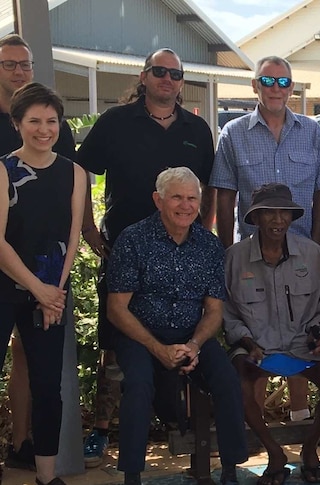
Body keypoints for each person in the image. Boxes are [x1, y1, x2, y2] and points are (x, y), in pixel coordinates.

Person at [76, 47, 217, 467]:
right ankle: (101, 430)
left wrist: (202, 234)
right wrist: (86, 227)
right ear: (144, 76)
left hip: (180, 253)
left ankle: (177, 421)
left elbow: (207, 189)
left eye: (176, 74)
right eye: (160, 72)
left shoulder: (197, 128)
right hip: (124, 249)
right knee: (116, 342)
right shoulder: (116, 122)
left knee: (180, 333)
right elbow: (80, 172)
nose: (168, 80)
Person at [211, 56, 320, 425]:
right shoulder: (233, 133)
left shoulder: (311, 131)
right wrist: (225, 250)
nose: (276, 89)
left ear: (292, 87)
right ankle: (259, 424)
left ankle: (300, 415)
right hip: (254, 251)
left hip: (301, 250)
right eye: (268, 81)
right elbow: (224, 192)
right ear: (255, 86)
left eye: (284, 83)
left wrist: (316, 243)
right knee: (259, 326)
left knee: (300, 324)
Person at [106, 167, 247, 485]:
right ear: (158, 200)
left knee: (226, 378)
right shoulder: (134, 239)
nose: (186, 206)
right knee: (138, 385)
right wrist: (158, 349)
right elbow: (117, 309)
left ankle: (229, 470)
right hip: (141, 336)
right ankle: (133, 475)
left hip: (190, 334)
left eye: (192, 199)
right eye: (177, 198)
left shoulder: (209, 246)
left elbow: (214, 310)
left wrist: (195, 345)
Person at [224, 183, 320, 485]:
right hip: (255, 347)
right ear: (256, 218)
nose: (278, 220)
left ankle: (310, 449)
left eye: (284, 213)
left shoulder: (312, 254)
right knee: (239, 385)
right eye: (270, 213)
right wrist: (246, 340)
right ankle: (274, 453)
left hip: (301, 346)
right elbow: (227, 313)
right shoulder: (234, 258)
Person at [0, 82, 86, 485]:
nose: (43, 129)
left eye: (50, 121)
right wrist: (39, 289)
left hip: (52, 292)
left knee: (49, 388)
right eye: (34, 121)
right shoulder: (3, 170)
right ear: (18, 123)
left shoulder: (75, 172)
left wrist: (56, 291)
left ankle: (47, 477)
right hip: (8, 286)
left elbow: (72, 236)